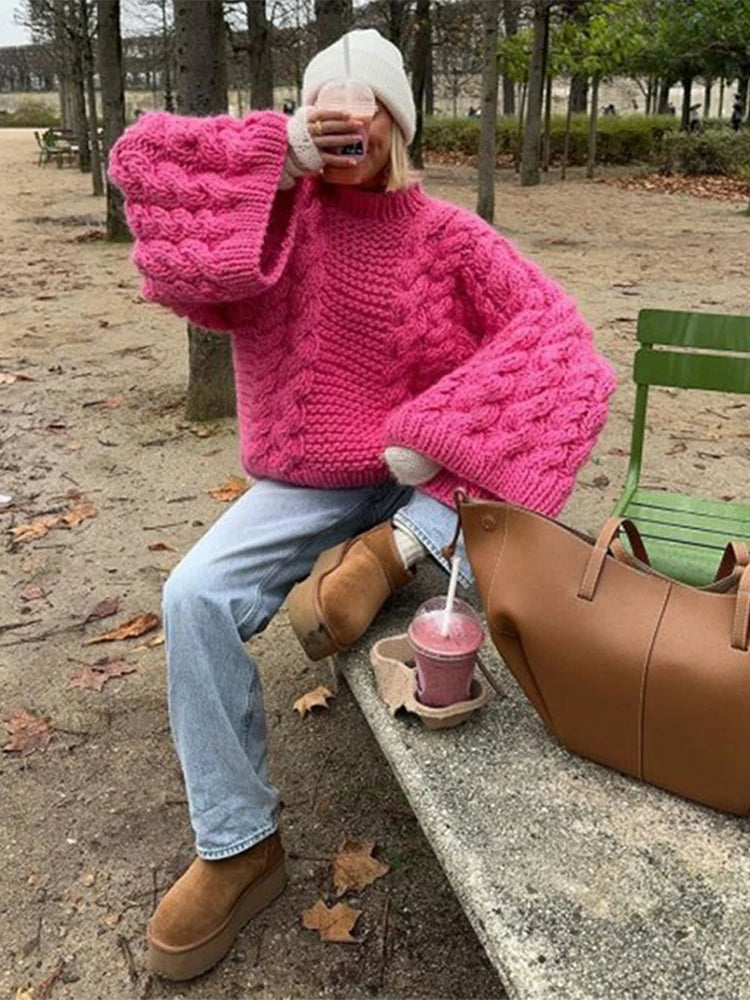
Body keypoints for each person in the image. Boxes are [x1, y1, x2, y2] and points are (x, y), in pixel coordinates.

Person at [109, 27, 616, 982]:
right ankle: (237, 843)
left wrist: (445, 429)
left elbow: (565, 349)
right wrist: (275, 154)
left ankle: (387, 555)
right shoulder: (275, 215)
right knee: (193, 596)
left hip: (427, 482)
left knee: (483, 495)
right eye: (327, 108)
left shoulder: (450, 237)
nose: (350, 124)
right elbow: (148, 171)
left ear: (402, 122)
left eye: (369, 105)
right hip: (304, 486)